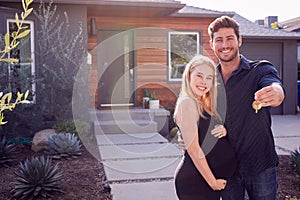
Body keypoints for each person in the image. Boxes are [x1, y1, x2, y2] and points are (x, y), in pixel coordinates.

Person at [207, 16, 285, 199]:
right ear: (212, 44)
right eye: (219, 40)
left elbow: (274, 85)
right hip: (226, 167)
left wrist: (276, 93)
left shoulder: (259, 70)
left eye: (230, 38)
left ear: (239, 40)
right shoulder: (209, 80)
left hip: (260, 165)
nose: (225, 45)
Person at [174, 54, 237, 200]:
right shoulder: (187, 103)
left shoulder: (201, 102)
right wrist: (212, 182)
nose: (204, 82)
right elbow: (194, 150)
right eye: (199, 76)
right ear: (189, 75)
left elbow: (205, 134)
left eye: (209, 78)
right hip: (196, 183)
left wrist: (224, 130)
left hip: (205, 180)